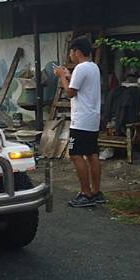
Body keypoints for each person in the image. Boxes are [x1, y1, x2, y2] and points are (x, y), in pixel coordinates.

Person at [54, 37, 105, 208]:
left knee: (76, 155)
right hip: (92, 118)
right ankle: (97, 192)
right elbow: (81, 86)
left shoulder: (80, 68)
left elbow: (70, 92)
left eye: (71, 52)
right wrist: (69, 75)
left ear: (77, 52)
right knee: (92, 154)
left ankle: (85, 193)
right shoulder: (93, 67)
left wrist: (62, 77)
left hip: (81, 119)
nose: (70, 55)